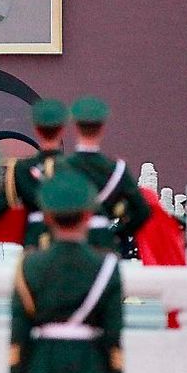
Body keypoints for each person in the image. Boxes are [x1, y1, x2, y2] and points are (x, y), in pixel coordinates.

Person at [10, 169, 123, 373]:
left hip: (42, 371)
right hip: (91, 372)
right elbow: (113, 337)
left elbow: (18, 334)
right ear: (87, 216)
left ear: (47, 218)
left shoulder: (29, 266)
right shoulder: (106, 267)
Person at [0, 98, 69, 249]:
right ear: (62, 129)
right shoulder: (76, 168)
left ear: (36, 129)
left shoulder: (19, 170)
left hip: (34, 243)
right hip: (67, 241)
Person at [63, 96, 150, 255]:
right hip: (104, 244)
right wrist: (118, 233)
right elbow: (142, 210)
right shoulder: (117, 169)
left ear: (75, 127)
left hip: (69, 244)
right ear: (102, 128)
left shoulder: (61, 166)